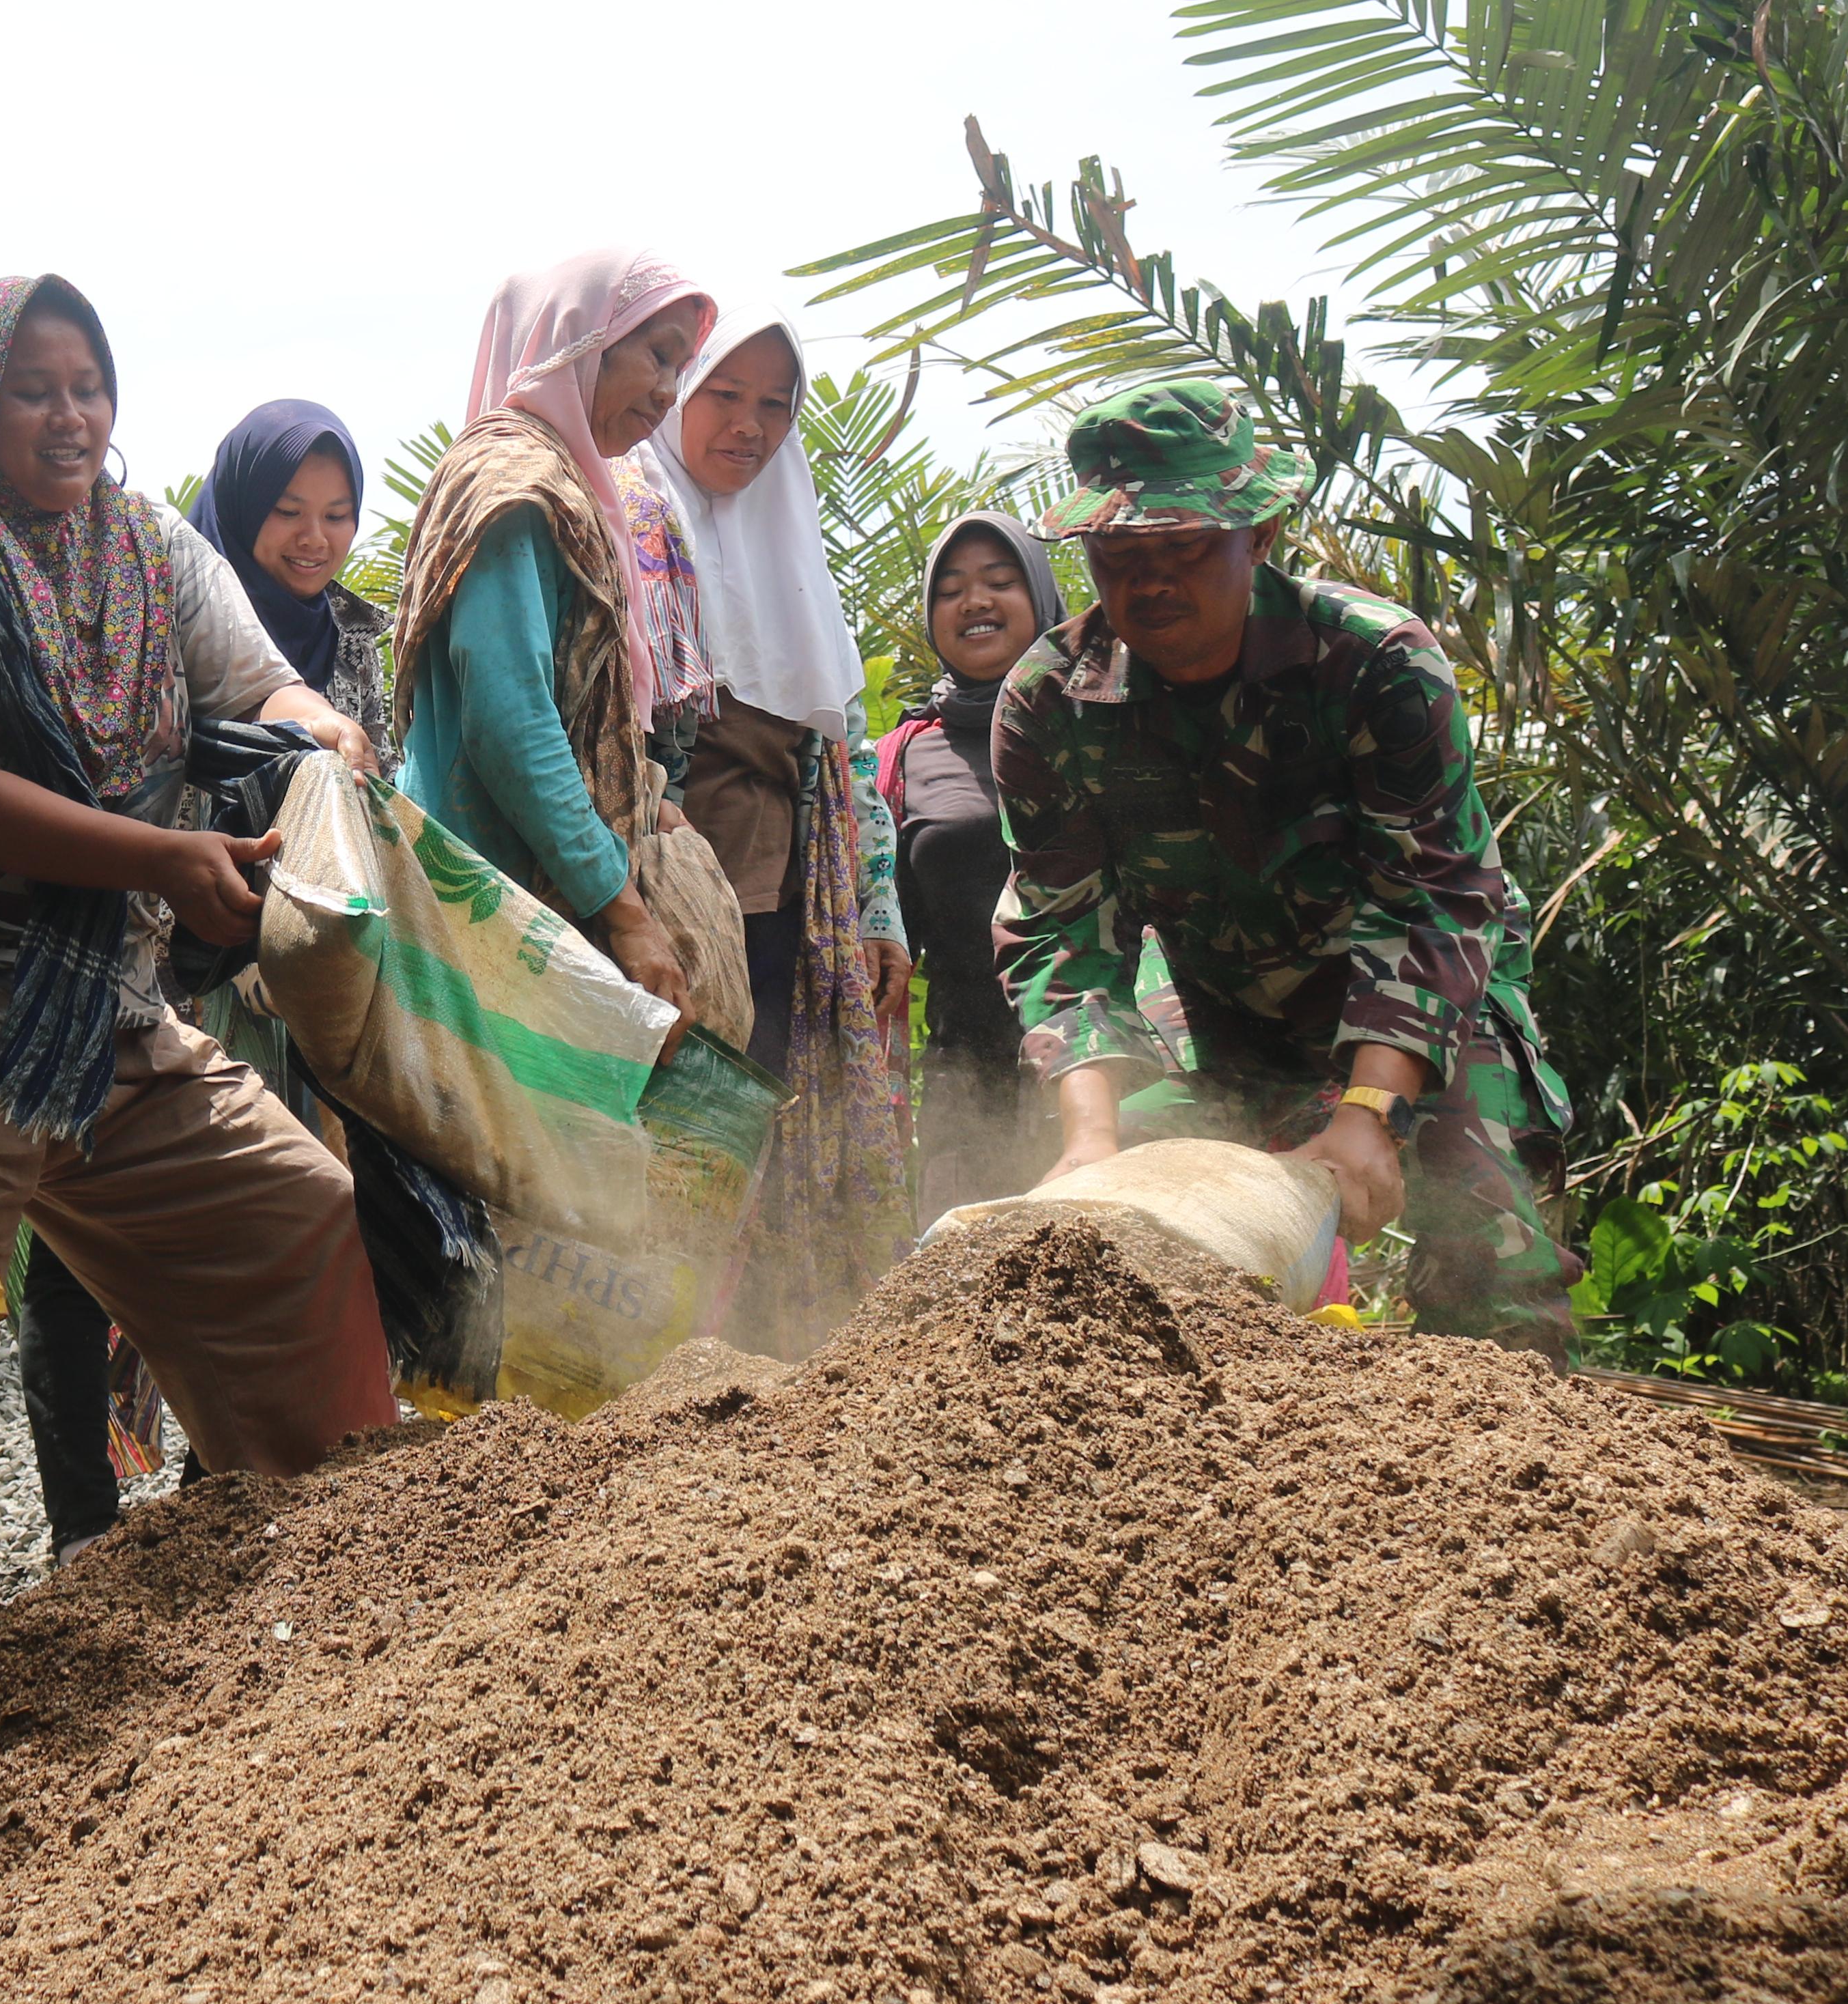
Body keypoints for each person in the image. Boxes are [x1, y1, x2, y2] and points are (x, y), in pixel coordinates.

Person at [0, 274, 397, 1734]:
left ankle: (324, 1569)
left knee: (291, 1211)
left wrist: (320, 731)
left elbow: (258, 675)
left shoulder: (145, 534)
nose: (71, 415)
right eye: (34, 388)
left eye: (90, 383)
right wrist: (170, 853)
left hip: (105, 1006)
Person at [992, 378, 1573, 1354]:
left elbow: (1435, 901)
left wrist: (1369, 1108)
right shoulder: (1051, 699)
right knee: (1085, 1248)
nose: (1151, 582)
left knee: (1493, 1262)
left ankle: (1515, 1494)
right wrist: (1089, 1140)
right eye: (1119, 556)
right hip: (1227, 1029)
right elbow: (1063, 932)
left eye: (1184, 547)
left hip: (1426, 1016)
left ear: (1258, 536)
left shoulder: (1379, 664)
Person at [629, 315, 912, 1351]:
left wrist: (878, 910)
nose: (751, 425)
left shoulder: (790, 545)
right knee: (669, 1161)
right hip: (666, 924)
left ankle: (754, 1369)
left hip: (787, 916)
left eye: (776, 403)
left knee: (756, 1149)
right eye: (724, 393)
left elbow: (840, 752)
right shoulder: (634, 527)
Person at [387, 248, 715, 1024]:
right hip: (488, 905)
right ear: (583, 341)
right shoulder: (520, 491)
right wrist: (624, 910)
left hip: (506, 901)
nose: (670, 391)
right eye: (656, 354)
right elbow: (510, 718)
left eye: (683, 367)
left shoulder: (565, 487)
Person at [878, 511, 1071, 1213]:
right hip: (968, 1077)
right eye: (951, 588)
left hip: (1107, 1059)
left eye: (999, 580)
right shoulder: (904, 755)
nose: (975, 602)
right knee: (966, 1295)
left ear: (1041, 596)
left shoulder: (1101, 718)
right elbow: (883, 929)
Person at [189, 399, 400, 766]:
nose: (315, 539)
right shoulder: (178, 613)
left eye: (336, 516)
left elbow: (378, 780)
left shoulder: (353, 640)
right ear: (241, 506)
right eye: (289, 512)